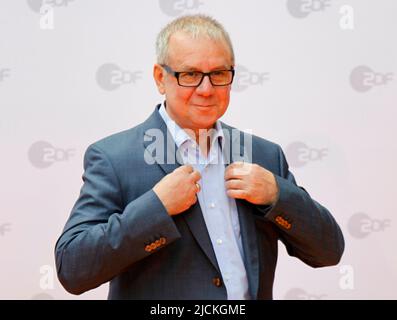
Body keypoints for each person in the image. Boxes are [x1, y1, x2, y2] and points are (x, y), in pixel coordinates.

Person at [55, 14, 344, 300]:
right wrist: (156, 208)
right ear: (160, 78)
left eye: (218, 74)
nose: (206, 90)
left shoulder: (263, 155)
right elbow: (73, 268)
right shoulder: (114, 158)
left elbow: (329, 250)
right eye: (190, 74)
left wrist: (277, 194)